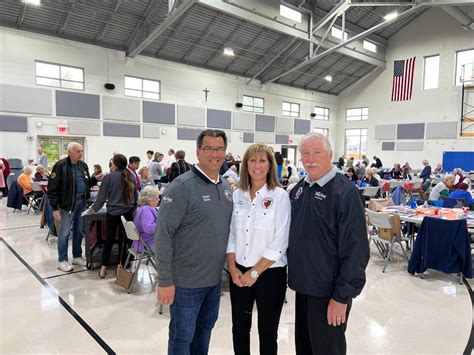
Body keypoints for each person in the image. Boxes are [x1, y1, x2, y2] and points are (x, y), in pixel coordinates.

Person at [287, 132, 370, 355]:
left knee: (327, 350)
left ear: (330, 155)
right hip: (304, 288)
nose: (310, 158)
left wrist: (341, 297)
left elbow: (356, 250)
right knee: (305, 348)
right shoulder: (299, 190)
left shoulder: (345, 193)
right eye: (305, 153)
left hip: (329, 292)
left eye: (317, 153)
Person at [155, 129, 233, 354]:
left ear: (225, 153)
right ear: (198, 152)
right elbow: (163, 235)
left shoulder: (225, 187)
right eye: (208, 148)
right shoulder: (182, 187)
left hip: (214, 281)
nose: (214, 154)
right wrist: (165, 280)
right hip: (185, 283)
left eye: (219, 149)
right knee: (182, 337)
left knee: (204, 332)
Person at [226, 144, 291, 355]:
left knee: (268, 331)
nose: (257, 165)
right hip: (239, 274)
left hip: (269, 274)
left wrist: (255, 272)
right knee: (240, 329)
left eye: (262, 160)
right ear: (245, 165)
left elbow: (280, 241)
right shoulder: (238, 195)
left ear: (271, 165)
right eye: (252, 160)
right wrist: (232, 268)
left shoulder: (280, 196)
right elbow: (232, 235)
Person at [84, 154, 137, 278]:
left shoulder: (109, 177)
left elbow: (101, 199)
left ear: (115, 164)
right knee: (124, 241)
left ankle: (103, 268)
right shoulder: (131, 176)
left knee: (109, 240)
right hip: (127, 212)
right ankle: (121, 267)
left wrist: (90, 211)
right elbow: (135, 197)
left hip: (113, 212)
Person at [48, 142, 98, 272]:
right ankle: (62, 260)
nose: (81, 153)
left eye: (81, 151)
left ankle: (77, 256)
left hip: (82, 202)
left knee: (79, 230)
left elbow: (86, 183)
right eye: (78, 151)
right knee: (64, 233)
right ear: (70, 152)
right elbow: (52, 189)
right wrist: (54, 208)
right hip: (67, 204)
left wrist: (95, 179)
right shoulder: (60, 166)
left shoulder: (83, 166)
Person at [133, 186, 159, 253]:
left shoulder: (142, 208)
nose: (158, 200)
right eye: (156, 198)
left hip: (142, 243)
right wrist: (163, 224)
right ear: (148, 199)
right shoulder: (146, 210)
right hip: (148, 244)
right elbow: (148, 229)